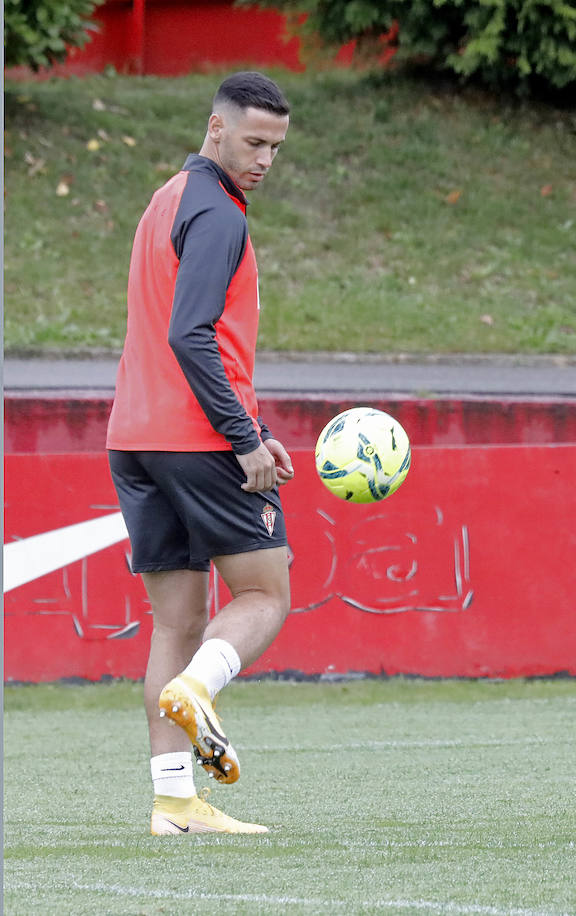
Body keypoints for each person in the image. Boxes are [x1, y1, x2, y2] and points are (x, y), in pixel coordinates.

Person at [106, 71, 295, 834]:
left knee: (177, 625)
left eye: (276, 147)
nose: (265, 159)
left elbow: (180, 334)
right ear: (214, 129)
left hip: (136, 439)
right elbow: (193, 335)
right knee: (265, 596)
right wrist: (244, 437)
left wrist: (250, 424)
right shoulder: (219, 215)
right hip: (198, 439)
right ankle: (201, 688)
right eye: (254, 141)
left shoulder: (166, 201)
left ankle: (174, 802)